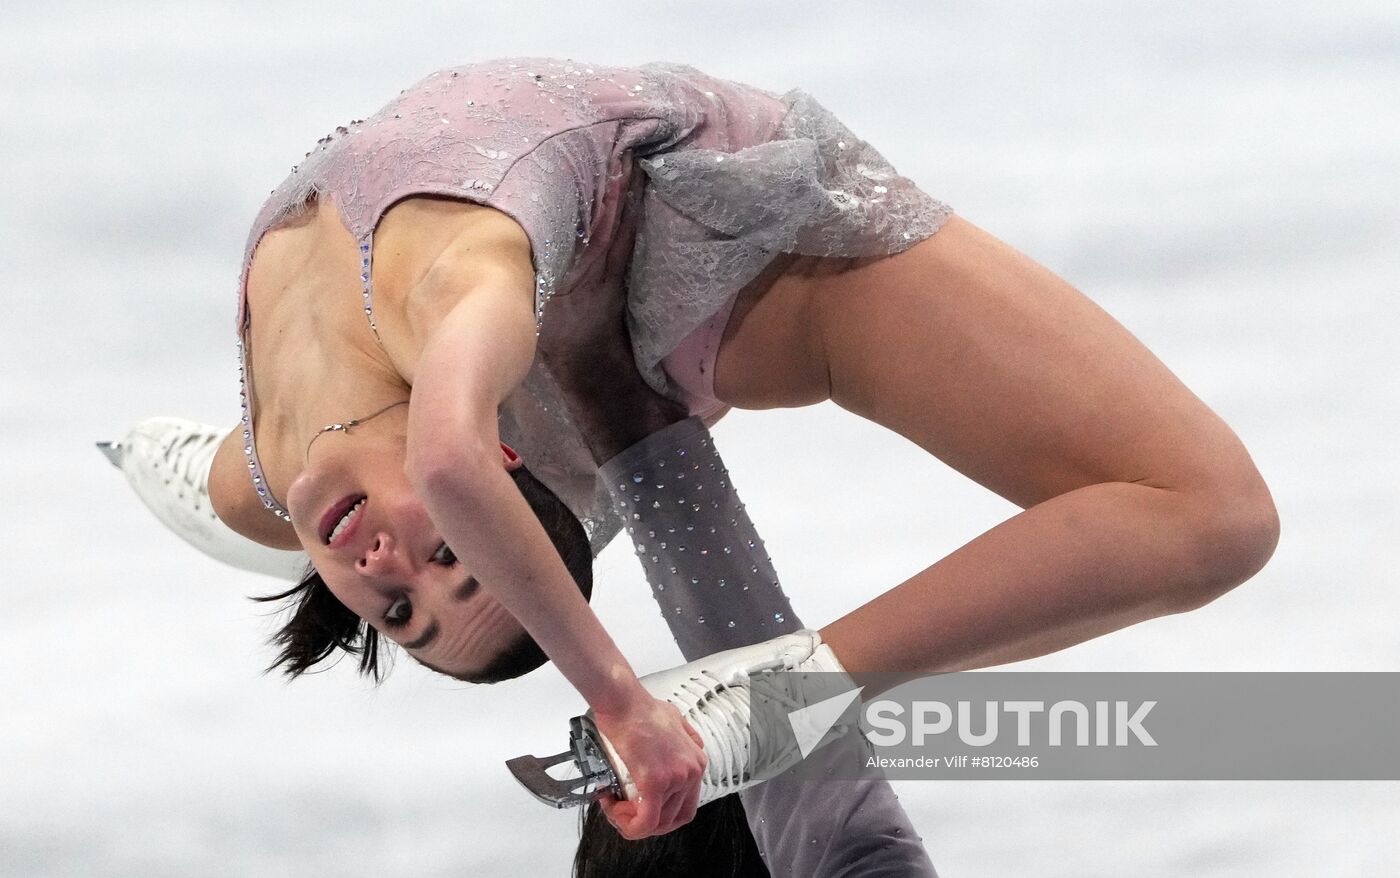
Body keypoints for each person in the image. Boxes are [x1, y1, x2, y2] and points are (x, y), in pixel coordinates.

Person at [101, 56, 1279, 860]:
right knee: (1210, 514)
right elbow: (451, 465)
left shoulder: (260, 481)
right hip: (728, 255)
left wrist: (192, 481)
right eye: (448, 562)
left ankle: (729, 690)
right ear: (513, 455)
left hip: (618, 282)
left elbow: (374, 478)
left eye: (399, 602)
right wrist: (629, 706)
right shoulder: (461, 300)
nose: (388, 564)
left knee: (287, 499)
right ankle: (779, 695)